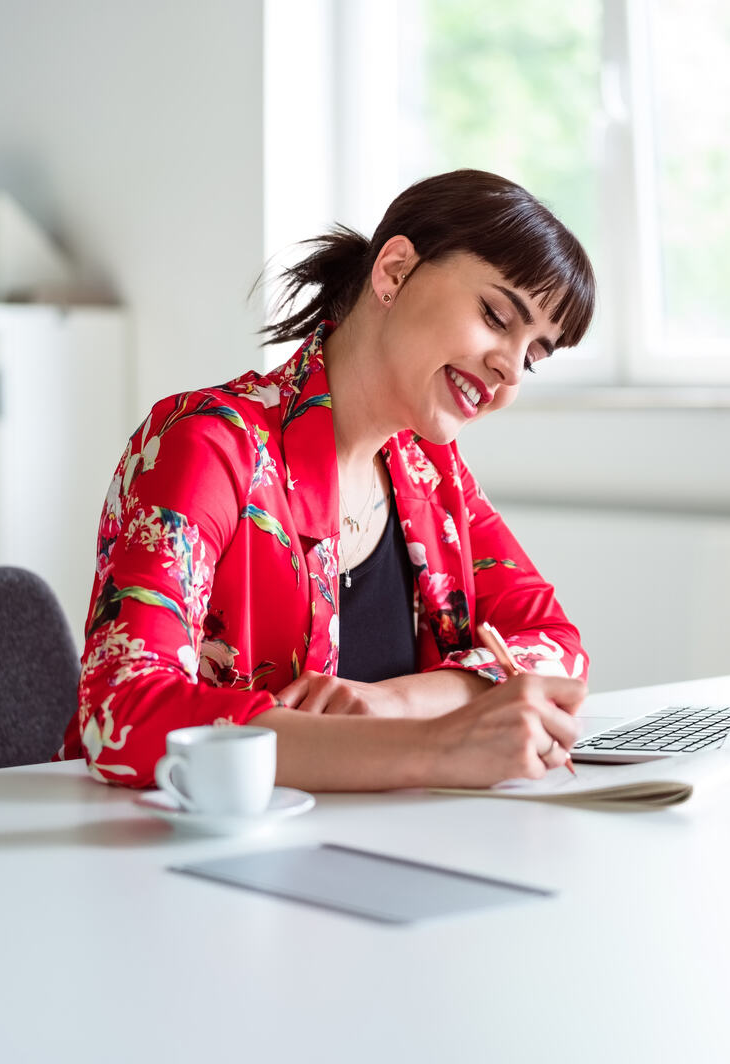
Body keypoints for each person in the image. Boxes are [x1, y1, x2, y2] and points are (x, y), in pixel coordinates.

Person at [56, 169, 595, 791]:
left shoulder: (432, 474)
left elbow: (555, 645)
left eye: (533, 356)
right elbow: (122, 713)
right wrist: (432, 749)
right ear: (394, 271)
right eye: (497, 316)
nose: (510, 372)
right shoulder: (206, 444)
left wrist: (397, 704)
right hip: (156, 853)